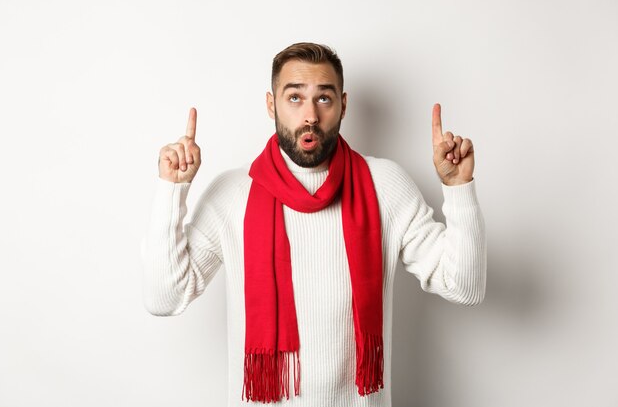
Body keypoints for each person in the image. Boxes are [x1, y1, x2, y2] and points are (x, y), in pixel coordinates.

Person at [140, 42, 486, 407]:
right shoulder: (232, 194)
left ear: (343, 105)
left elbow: (464, 287)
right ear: (271, 104)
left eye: (323, 98)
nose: (309, 116)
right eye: (294, 98)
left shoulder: (385, 185)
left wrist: (459, 187)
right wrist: (172, 190)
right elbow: (165, 297)